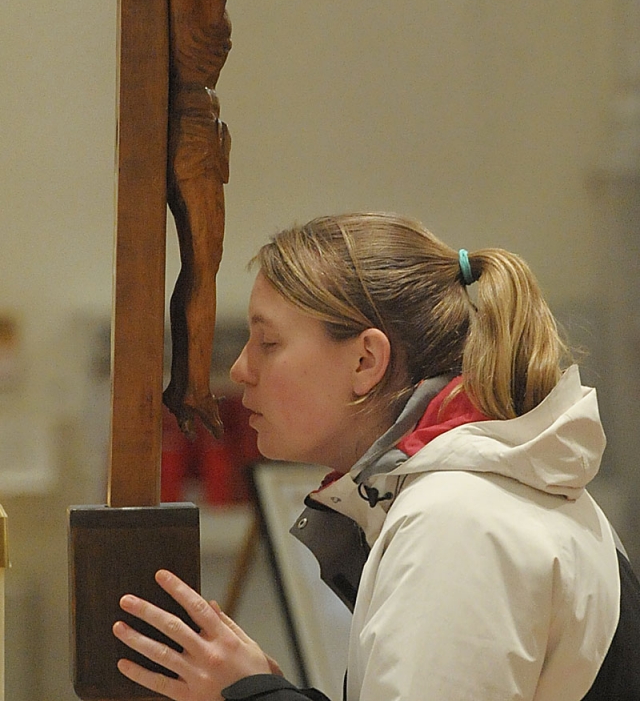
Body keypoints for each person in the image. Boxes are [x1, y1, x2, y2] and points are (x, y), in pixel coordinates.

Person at [113, 213, 640, 700]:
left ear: (365, 361)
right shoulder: (470, 495)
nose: (241, 369)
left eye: (267, 343)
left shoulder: (457, 521)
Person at [163, 0, 268, 438]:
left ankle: (189, 382)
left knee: (201, 265)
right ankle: (195, 387)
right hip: (193, 125)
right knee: (203, 266)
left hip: (199, 126)